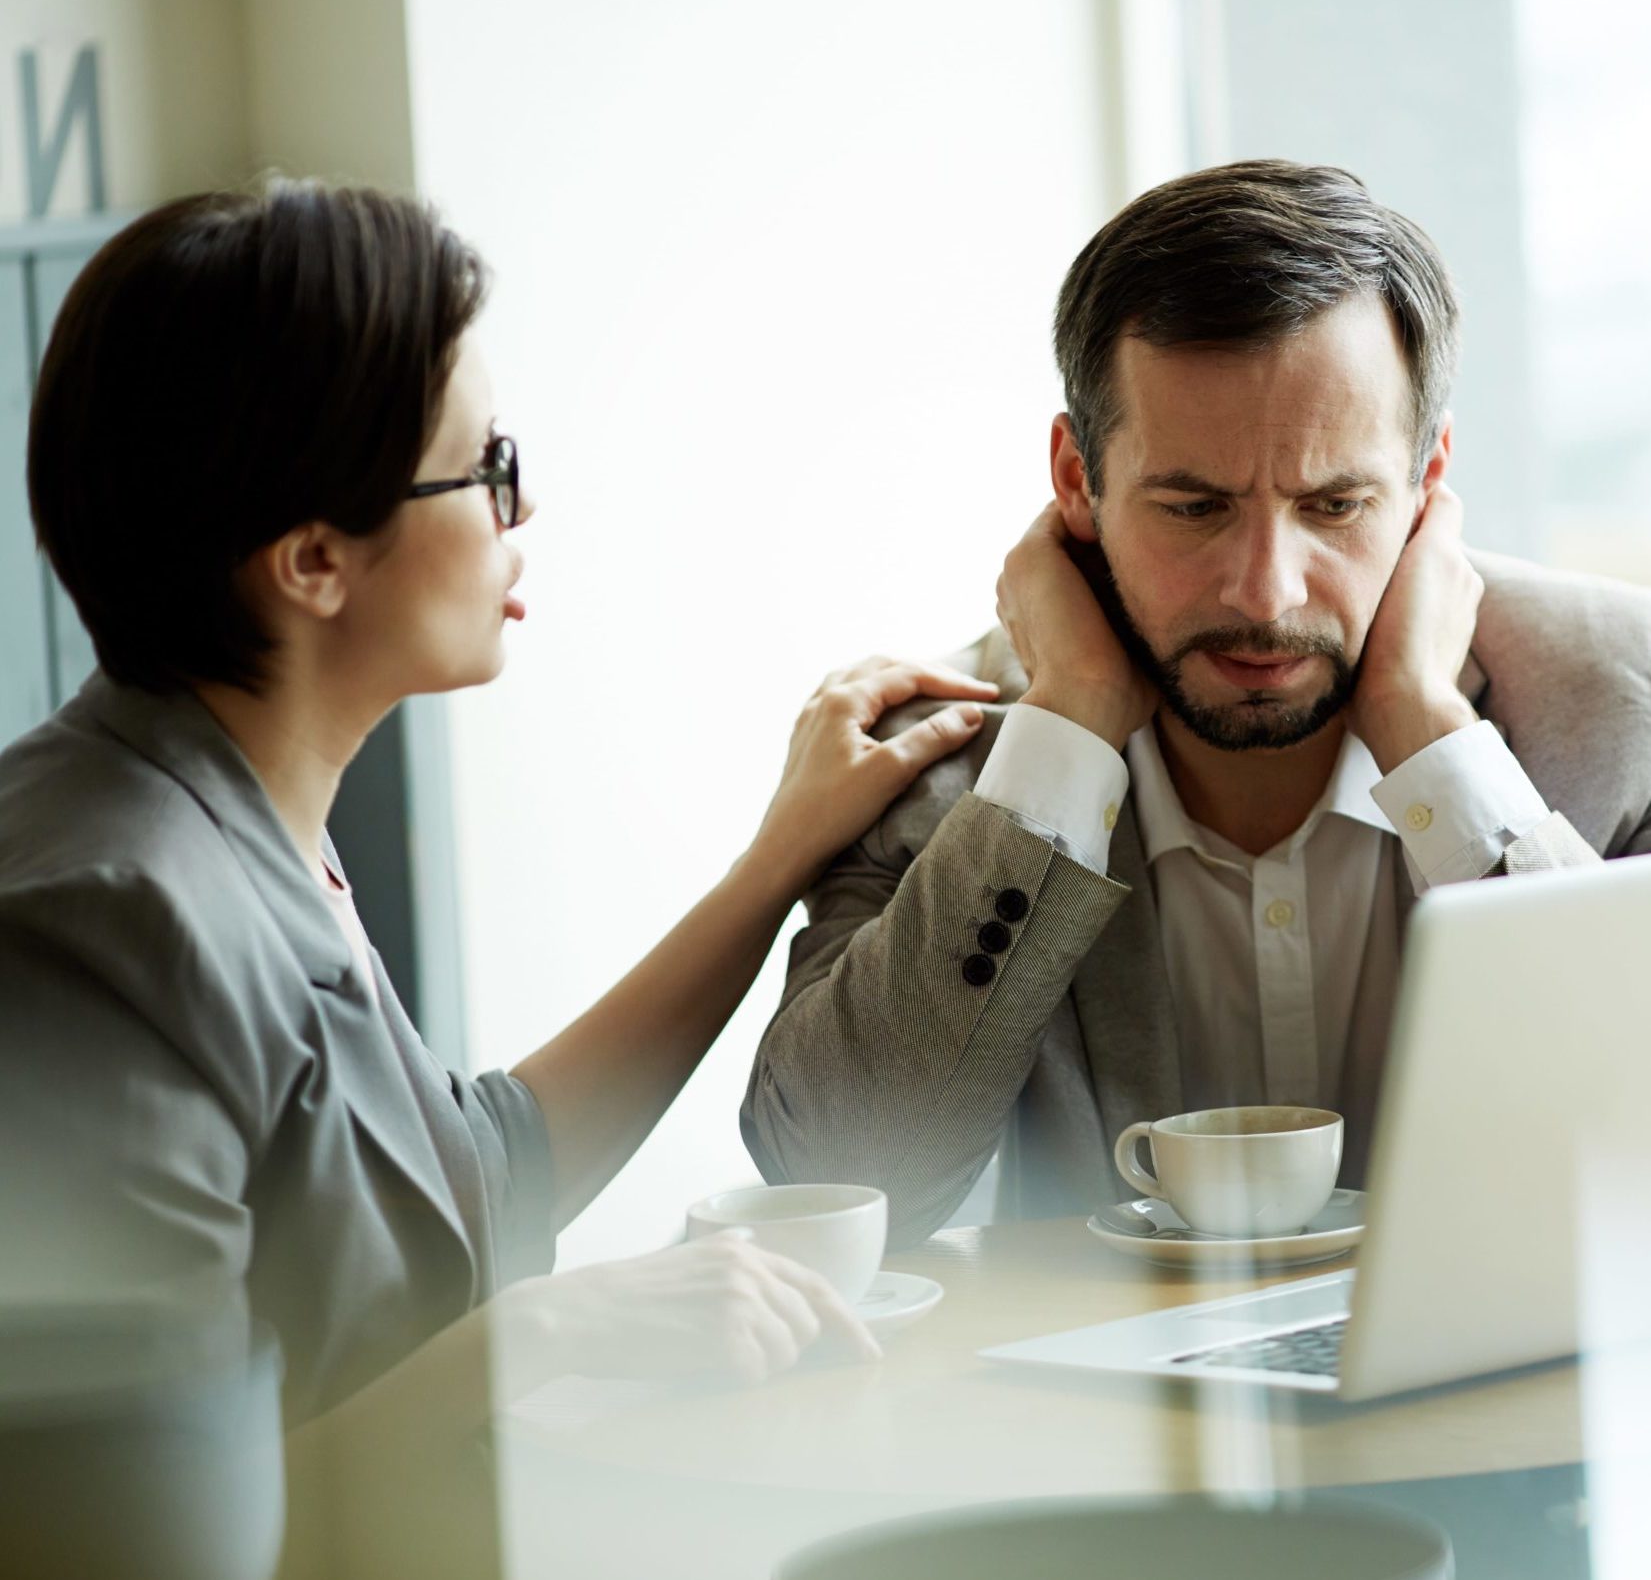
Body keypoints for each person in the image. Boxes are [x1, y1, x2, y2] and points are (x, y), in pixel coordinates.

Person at [0, 182, 1001, 1451]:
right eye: (487, 469)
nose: (519, 513)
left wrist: (778, 858)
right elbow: (147, 1527)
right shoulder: (91, 930)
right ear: (313, 562)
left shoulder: (234, 818)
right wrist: (548, 1329)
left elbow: (478, 1178)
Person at [743, 159, 1651, 1248]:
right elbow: (835, 1179)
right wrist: (1068, 727)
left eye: (1335, 504)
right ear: (1076, 478)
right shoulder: (939, 762)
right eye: (1192, 506)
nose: (1265, 591)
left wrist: (1430, 735)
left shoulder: (1617, 701)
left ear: (1428, 474)